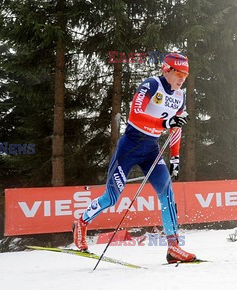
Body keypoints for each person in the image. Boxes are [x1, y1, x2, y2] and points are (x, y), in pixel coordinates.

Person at [72, 53, 196, 263]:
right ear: (166, 70)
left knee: (167, 194)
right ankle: (81, 223)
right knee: (112, 197)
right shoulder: (151, 85)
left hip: (151, 150)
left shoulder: (180, 96)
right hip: (129, 148)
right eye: (178, 73)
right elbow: (135, 115)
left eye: (185, 74)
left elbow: (177, 128)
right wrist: (165, 124)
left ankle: (173, 247)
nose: (182, 78)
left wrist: (175, 157)